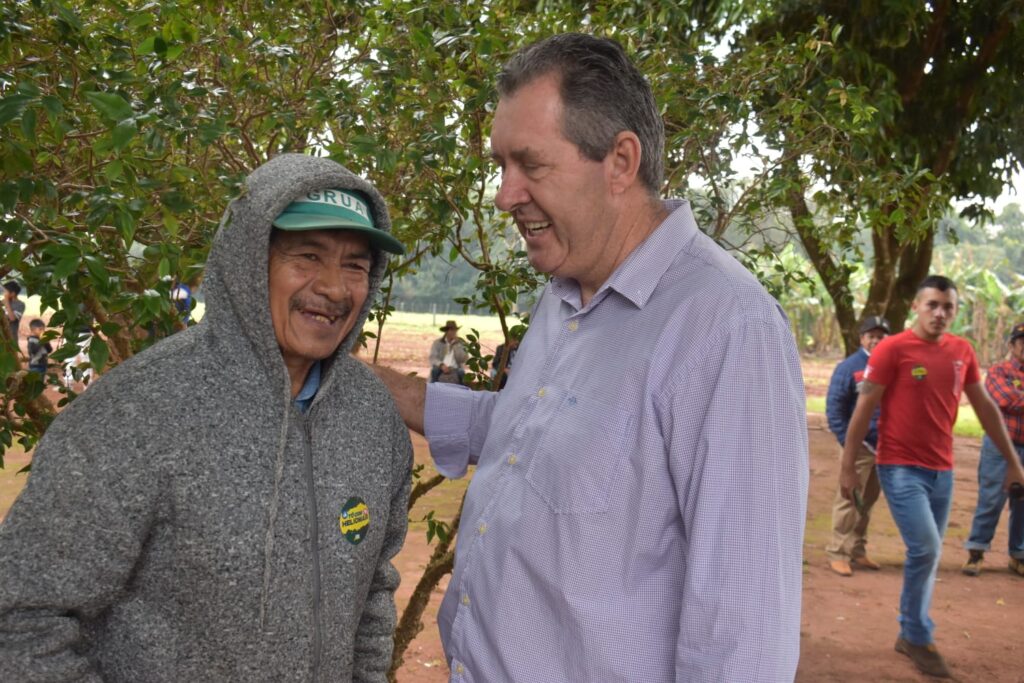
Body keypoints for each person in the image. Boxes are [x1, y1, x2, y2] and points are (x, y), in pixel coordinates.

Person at [372, 33, 808, 681]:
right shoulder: (566, 291)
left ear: (621, 161)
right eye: (500, 165)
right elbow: (534, 441)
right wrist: (392, 390)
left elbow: (740, 637)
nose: (503, 194)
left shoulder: (727, 329)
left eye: (530, 164)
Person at [0, 153, 413, 682]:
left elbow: (372, 593)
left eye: (355, 264)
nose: (335, 288)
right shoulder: (134, 414)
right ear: (247, 262)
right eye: (307, 256)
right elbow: (21, 621)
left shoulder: (374, 420)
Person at [839, 275, 1024, 679]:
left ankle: (908, 632)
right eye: (932, 305)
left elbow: (987, 408)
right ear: (917, 308)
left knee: (929, 552)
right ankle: (918, 635)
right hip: (899, 466)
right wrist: (847, 465)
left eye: (948, 307)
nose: (940, 313)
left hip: (943, 470)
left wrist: (1012, 460)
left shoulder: (962, 350)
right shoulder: (892, 348)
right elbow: (863, 406)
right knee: (924, 549)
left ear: (955, 311)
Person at [825, 315, 890, 576]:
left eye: (881, 335)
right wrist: (847, 443)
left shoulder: (892, 365)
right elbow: (835, 409)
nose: (876, 340)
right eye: (871, 335)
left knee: (869, 500)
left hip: (883, 446)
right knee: (848, 499)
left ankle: (857, 550)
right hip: (858, 447)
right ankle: (837, 551)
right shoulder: (849, 367)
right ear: (862, 338)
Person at [961, 320, 1024, 578]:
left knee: (1023, 504)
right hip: (1000, 446)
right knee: (991, 498)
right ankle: (976, 552)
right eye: (1022, 342)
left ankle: (1018, 555)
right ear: (1011, 345)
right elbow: (1004, 399)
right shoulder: (1000, 370)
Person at [3, 280, 24, 344]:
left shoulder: (20, 304)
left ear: (13, 294)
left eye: (5, 291)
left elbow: (12, 318)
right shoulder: (3, 302)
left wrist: (6, 301)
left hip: (11, 338)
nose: (4, 293)